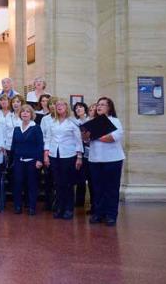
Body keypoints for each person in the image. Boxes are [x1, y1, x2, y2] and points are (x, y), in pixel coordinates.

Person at [84, 97, 124, 227]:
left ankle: (111, 215)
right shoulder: (92, 122)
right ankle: (98, 213)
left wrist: (95, 135)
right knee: (97, 188)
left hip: (112, 159)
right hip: (95, 159)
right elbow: (87, 141)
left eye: (102, 105)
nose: (99, 107)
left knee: (111, 188)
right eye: (98, 105)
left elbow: (113, 137)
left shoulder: (115, 121)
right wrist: (85, 137)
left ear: (109, 108)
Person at [43, 98, 83, 220]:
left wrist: (79, 157)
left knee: (68, 184)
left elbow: (78, 141)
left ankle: (68, 209)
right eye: (57, 105)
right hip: (54, 155)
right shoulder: (52, 122)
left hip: (69, 155)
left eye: (62, 105)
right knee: (58, 183)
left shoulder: (73, 123)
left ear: (67, 108)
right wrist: (46, 155)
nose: (59, 106)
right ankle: (59, 208)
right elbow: (48, 139)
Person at [10, 104, 44, 215]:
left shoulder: (36, 128)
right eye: (23, 111)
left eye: (27, 111)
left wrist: (39, 160)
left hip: (32, 161)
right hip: (18, 161)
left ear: (31, 114)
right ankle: (17, 206)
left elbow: (40, 145)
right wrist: (11, 161)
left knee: (32, 184)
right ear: (20, 114)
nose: (25, 113)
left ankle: (32, 207)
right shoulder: (16, 129)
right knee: (18, 184)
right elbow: (13, 145)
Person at [72, 102, 93, 212]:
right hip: (79, 152)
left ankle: (93, 203)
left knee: (91, 179)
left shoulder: (90, 120)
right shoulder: (74, 122)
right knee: (80, 178)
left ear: (85, 108)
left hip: (90, 152)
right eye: (76, 108)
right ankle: (79, 202)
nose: (78, 109)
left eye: (80, 107)